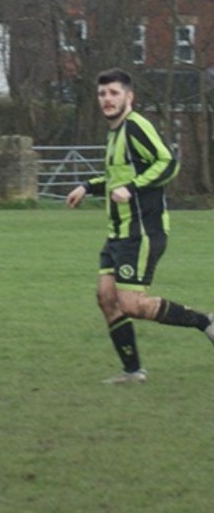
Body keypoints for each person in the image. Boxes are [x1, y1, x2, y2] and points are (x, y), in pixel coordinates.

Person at [66, 67, 214, 383]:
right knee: (106, 298)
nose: (107, 99)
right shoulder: (115, 133)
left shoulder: (136, 127)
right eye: (102, 93)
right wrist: (87, 187)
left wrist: (132, 188)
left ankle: (205, 321)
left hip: (142, 231)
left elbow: (168, 162)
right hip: (118, 233)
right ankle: (133, 371)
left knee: (131, 304)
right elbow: (115, 177)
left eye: (114, 93)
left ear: (129, 97)